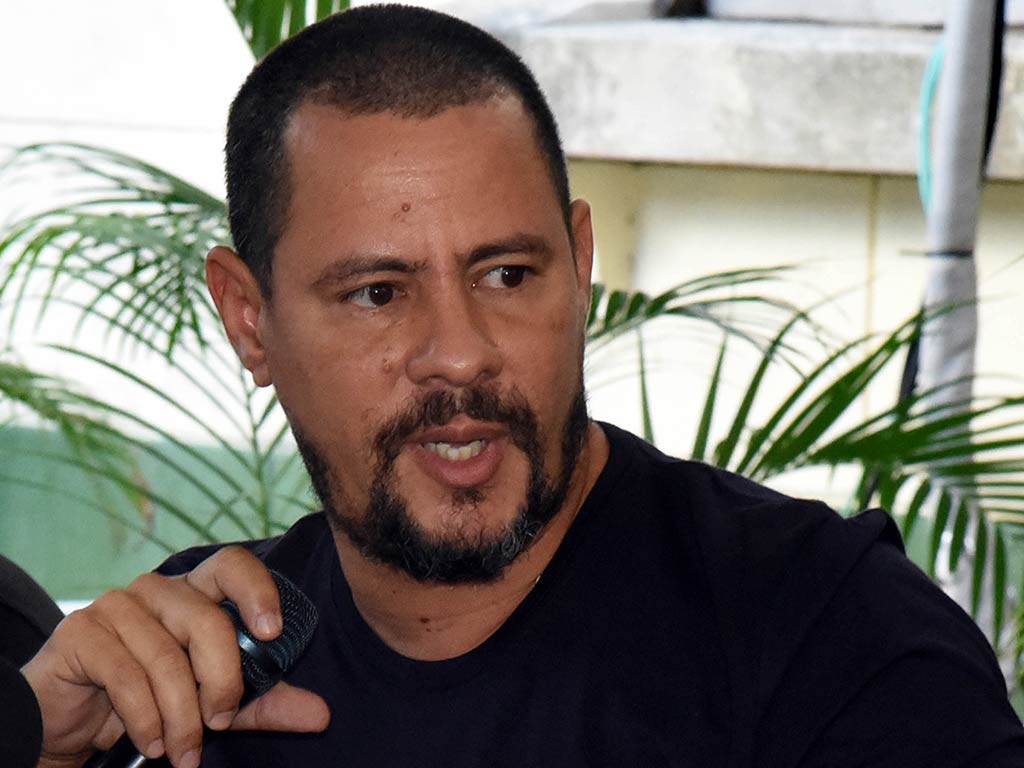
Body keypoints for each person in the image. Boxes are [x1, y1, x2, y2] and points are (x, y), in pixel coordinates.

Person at [18, 5, 1024, 767]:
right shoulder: (186, 668)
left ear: (578, 265)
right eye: (378, 293)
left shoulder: (828, 642)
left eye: (506, 275)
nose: (460, 355)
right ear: (250, 320)